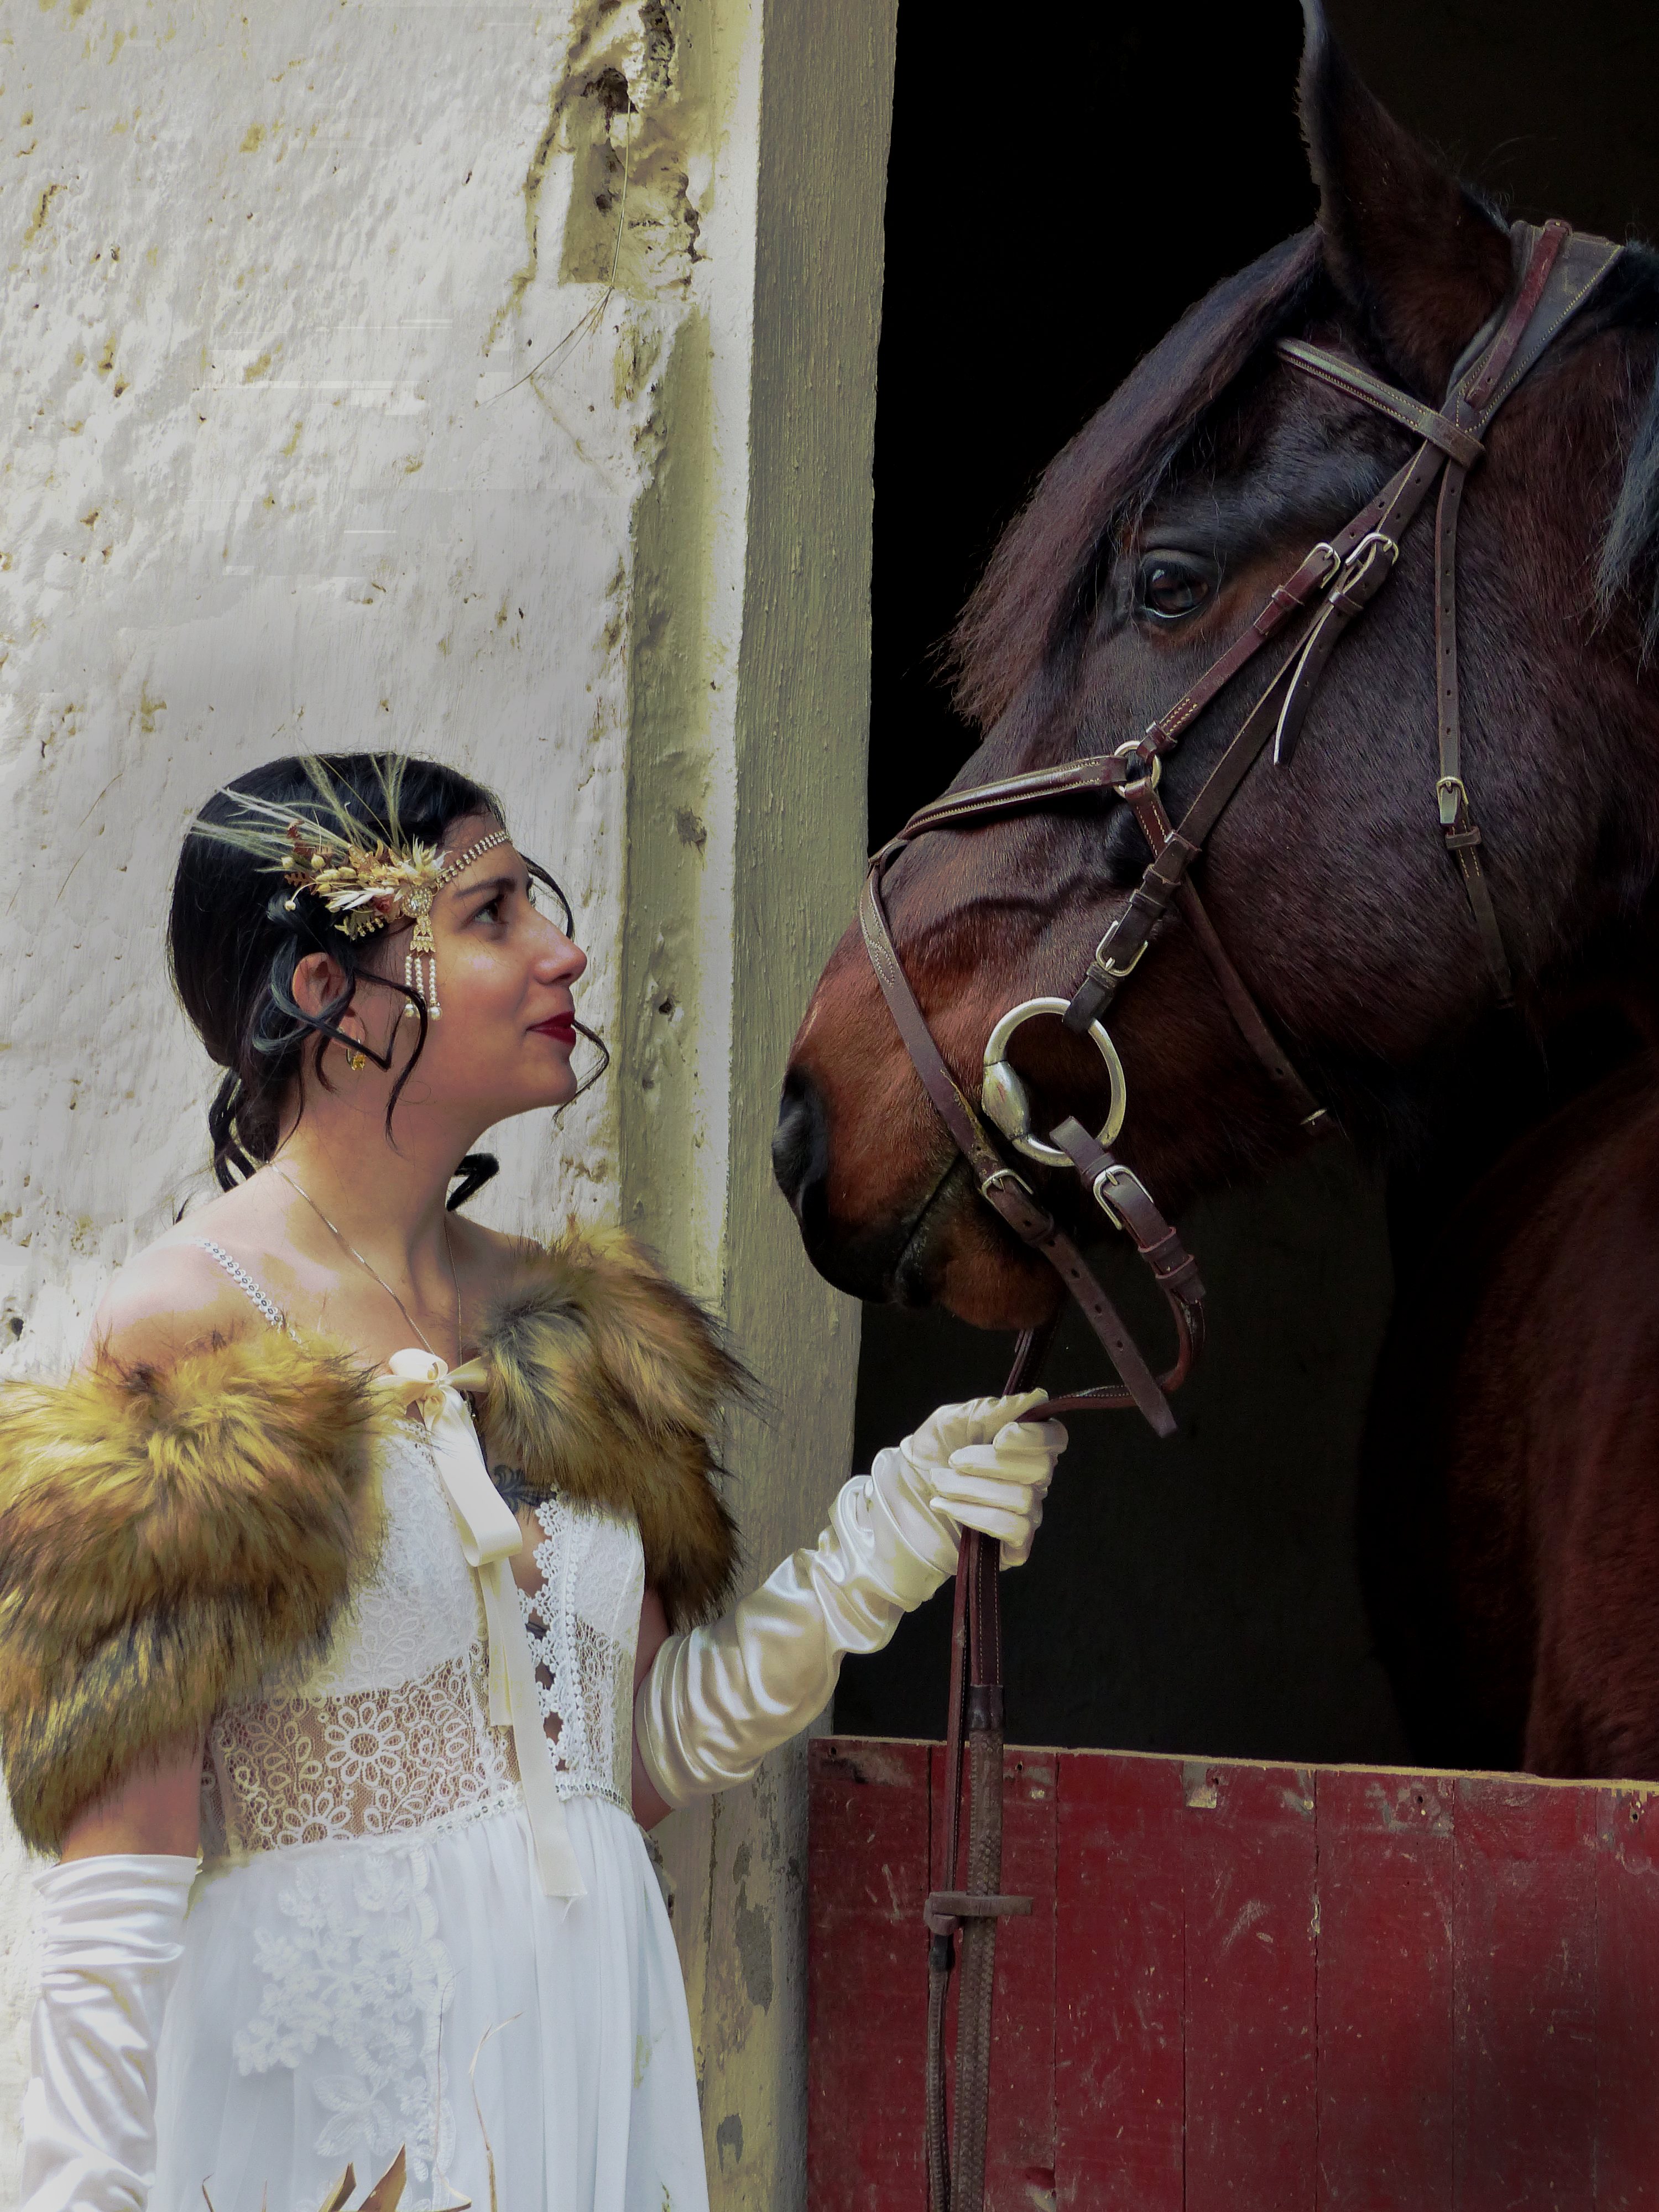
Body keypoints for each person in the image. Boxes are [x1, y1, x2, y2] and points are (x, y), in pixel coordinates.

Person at [0, 753, 1066, 2212]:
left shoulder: (572, 1328)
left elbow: (621, 1764)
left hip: (582, 2072)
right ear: (325, 990)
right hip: (325, 2114)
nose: (564, 948)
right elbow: (115, 1876)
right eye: (493, 911)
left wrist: (887, 1539)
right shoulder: (195, 1327)